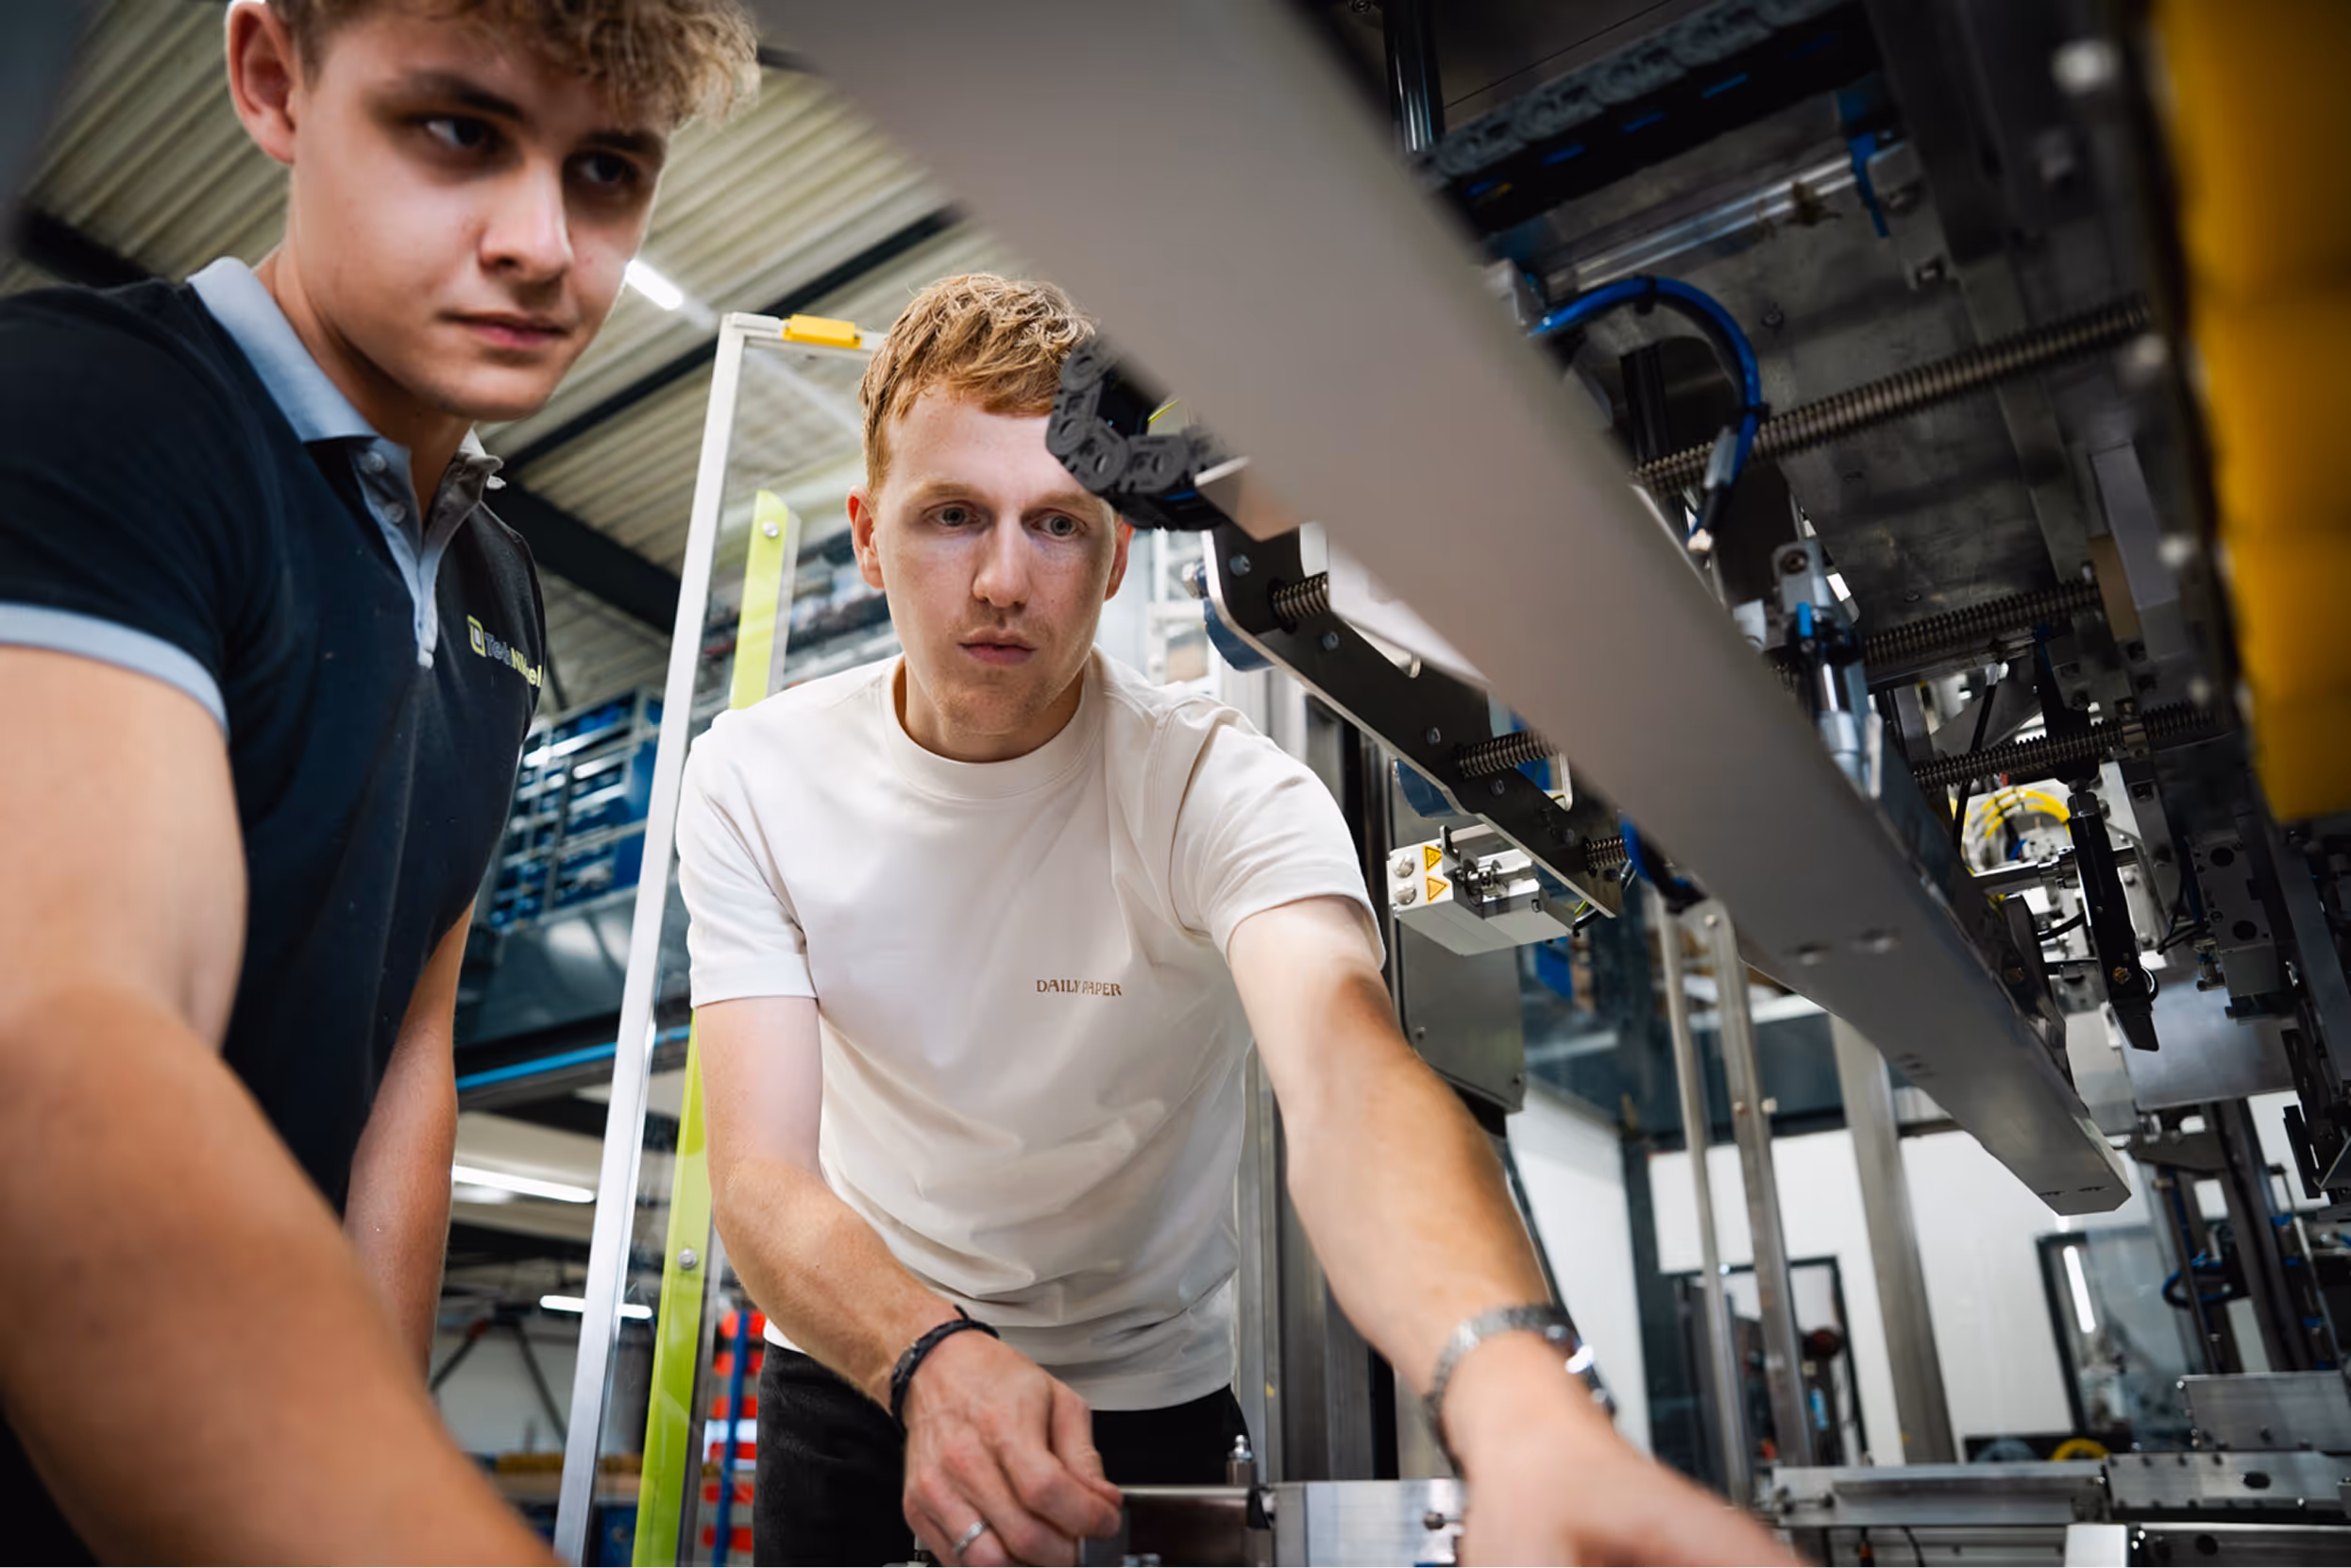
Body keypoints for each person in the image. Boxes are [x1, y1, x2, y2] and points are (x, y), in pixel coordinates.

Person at [683, 274, 1797, 1567]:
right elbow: (761, 1175)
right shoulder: (755, 778)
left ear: (1116, 556)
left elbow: (1347, 1078)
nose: (1001, 579)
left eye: (1057, 524)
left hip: (1144, 1396)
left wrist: (1519, 1403)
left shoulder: (1214, 788)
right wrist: (925, 1352)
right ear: (869, 537)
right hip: (863, 1367)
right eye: (951, 516)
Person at [0, 1, 754, 1560]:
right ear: (274, 80)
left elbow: (409, 1048)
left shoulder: (499, 586)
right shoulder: (88, 413)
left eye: (606, 169)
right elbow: (59, 1047)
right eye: (460, 133)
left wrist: (384, 1430)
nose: (543, 242)